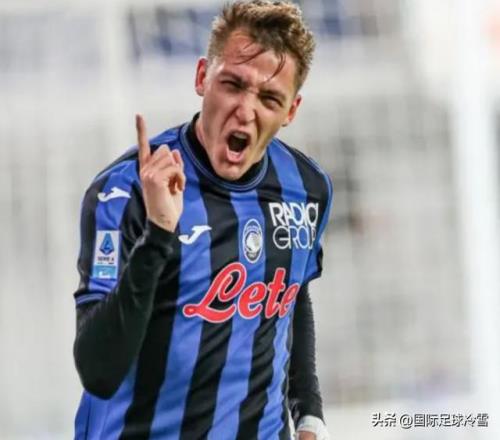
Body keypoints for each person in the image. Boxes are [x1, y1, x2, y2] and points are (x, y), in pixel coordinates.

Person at [72, 1, 333, 439]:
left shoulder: (307, 188)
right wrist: (158, 232)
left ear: (291, 111)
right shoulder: (125, 191)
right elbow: (99, 371)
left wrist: (308, 414)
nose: (246, 111)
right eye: (233, 85)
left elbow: (291, 294)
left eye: (269, 98)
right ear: (202, 78)